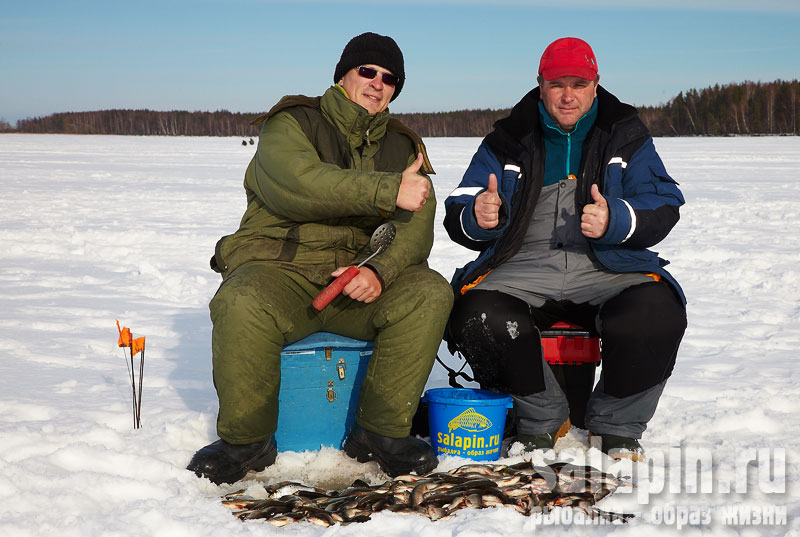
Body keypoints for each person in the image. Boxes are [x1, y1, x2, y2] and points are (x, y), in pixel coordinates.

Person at [187, 32, 453, 484]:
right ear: (342, 75)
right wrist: (387, 190)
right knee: (241, 300)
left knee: (430, 291)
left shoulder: (404, 145)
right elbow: (299, 184)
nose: (377, 83)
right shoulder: (291, 122)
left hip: (355, 280)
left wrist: (378, 270)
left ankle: (381, 433)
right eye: (366, 71)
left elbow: (417, 225)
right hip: (280, 271)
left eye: (389, 78)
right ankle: (246, 441)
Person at [443, 37, 687, 461]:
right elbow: (460, 207)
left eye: (579, 83)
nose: (568, 95)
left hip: (606, 265)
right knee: (476, 313)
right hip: (524, 264)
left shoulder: (625, 134)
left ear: (596, 85)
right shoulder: (507, 138)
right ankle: (541, 419)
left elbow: (664, 203)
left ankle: (617, 425)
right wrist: (479, 215)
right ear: (540, 86)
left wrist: (617, 219)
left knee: (656, 310)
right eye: (557, 84)